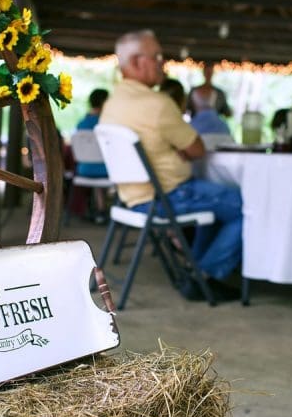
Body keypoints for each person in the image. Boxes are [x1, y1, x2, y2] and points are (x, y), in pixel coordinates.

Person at [99, 30, 242, 300]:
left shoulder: (112, 103)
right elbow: (197, 150)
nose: (162, 63)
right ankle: (206, 275)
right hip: (167, 196)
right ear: (138, 62)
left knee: (217, 202)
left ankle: (196, 268)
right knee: (242, 205)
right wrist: (179, 150)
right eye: (157, 57)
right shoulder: (158, 103)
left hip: (129, 197)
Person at [73, 88, 109, 222]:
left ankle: (99, 209)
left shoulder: (81, 124)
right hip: (105, 170)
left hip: (84, 169)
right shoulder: (106, 124)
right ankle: (104, 209)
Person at [186, 62, 233, 137]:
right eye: (207, 72)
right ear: (203, 73)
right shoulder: (194, 90)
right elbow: (186, 109)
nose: (208, 74)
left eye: (210, 72)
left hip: (216, 127)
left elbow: (227, 112)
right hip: (197, 127)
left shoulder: (219, 92)